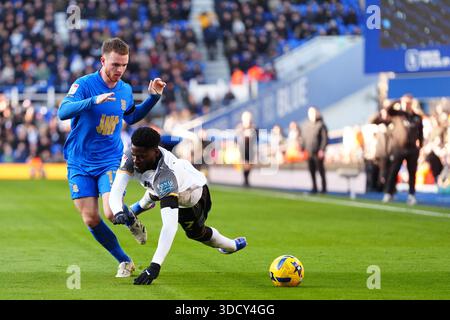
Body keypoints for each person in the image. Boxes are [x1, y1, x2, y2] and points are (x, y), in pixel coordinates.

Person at [57, 37, 166, 277]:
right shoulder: (84, 85)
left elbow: (130, 117)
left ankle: (130, 217)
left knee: (109, 211)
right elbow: (62, 112)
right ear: (103, 60)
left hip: (110, 159)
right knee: (90, 217)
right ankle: (125, 260)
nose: (120, 70)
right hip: (79, 160)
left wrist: (153, 98)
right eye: (115, 65)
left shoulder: (125, 89)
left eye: (124, 65)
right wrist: (92, 101)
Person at [109, 127, 247, 285]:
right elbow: (116, 190)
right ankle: (138, 208)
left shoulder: (167, 176)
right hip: (164, 183)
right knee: (154, 189)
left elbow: (169, 226)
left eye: (141, 156)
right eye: (134, 154)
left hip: (191, 195)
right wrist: (118, 211)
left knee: (196, 234)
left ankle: (232, 245)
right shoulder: (131, 156)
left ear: (155, 152)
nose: (136, 160)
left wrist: (155, 265)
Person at [382, 94, 424, 205]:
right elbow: (388, 110)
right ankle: (389, 193)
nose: (407, 105)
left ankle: (411, 195)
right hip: (399, 148)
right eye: (405, 102)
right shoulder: (398, 115)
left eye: (409, 103)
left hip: (412, 149)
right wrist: (396, 101)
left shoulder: (417, 117)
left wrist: (421, 145)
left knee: (412, 173)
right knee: (394, 171)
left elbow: (421, 133)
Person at [302, 106, 329, 194]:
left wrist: (322, 149)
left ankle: (324, 188)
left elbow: (324, 138)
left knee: (321, 170)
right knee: (312, 171)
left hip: (318, 152)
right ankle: (314, 187)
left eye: (313, 112)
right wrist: (303, 149)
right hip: (309, 152)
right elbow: (304, 138)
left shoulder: (321, 125)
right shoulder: (306, 125)